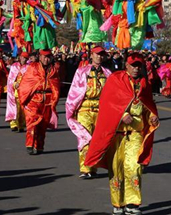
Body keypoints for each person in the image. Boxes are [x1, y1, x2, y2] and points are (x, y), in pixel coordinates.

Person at [85, 52, 160, 215]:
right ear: (126, 65)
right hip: (117, 134)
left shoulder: (144, 83)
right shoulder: (115, 79)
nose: (135, 68)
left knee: (134, 167)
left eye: (138, 65)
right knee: (116, 169)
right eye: (133, 65)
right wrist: (121, 115)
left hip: (135, 134)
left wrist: (152, 116)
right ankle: (118, 203)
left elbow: (148, 104)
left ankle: (132, 203)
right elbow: (107, 103)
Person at [66, 46, 112, 178]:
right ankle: (86, 169)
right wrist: (72, 110)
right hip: (84, 108)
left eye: (102, 55)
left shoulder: (108, 73)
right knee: (84, 138)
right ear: (91, 55)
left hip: (101, 110)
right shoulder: (81, 72)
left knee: (98, 140)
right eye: (97, 54)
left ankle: (94, 167)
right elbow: (74, 92)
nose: (99, 57)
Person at [19, 49, 61, 155]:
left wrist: (54, 99)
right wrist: (24, 99)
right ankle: (30, 144)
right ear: (40, 57)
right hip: (34, 99)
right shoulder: (33, 67)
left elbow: (56, 85)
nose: (46, 59)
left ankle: (39, 146)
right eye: (44, 57)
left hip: (47, 99)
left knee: (43, 125)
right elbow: (26, 83)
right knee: (32, 122)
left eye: (48, 57)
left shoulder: (53, 70)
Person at [5, 52, 30, 132]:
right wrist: (14, 83)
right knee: (13, 106)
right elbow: (11, 78)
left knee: (22, 109)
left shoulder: (28, 67)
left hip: (23, 90)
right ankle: (13, 124)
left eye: (26, 58)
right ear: (20, 57)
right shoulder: (14, 66)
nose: (24, 59)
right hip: (14, 90)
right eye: (23, 57)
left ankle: (21, 125)